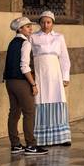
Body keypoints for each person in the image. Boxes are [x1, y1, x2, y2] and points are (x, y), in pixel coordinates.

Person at [4, 17, 46, 155]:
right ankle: (31, 145)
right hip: (21, 81)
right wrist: (33, 84)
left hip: (9, 81)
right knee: (29, 112)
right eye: (27, 26)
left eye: (30, 26)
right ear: (20, 29)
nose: (30, 28)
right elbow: (24, 67)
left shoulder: (12, 42)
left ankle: (15, 144)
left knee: (14, 112)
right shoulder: (25, 43)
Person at [30, 10, 72, 147]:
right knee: (40, 100)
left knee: (57, 99)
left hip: (55, 75)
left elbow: (65, 58)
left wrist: (65, 76)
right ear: (39, 23)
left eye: (48, 22)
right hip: (40, 74)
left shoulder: (59, 37)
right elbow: (28, 57)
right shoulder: (33, 37)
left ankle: (62, 137)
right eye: (43, 22)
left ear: (53, 23)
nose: (45, 25)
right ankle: (41, 138)